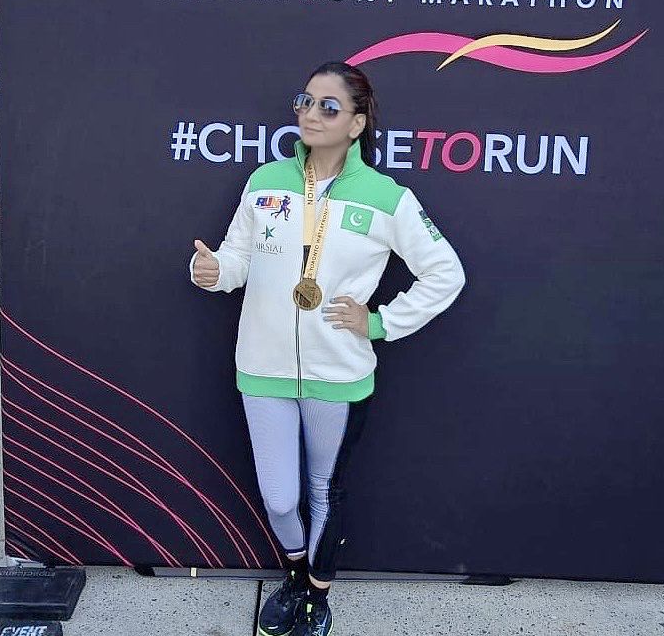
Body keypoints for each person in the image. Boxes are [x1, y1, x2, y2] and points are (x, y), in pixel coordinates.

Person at [189, 61, 465, 636]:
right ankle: (295, 574)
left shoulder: (386, 197)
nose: (310, 114)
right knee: (280, 498)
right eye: (305, 101)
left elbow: (446, 272)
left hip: (339, 374)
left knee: (323, 491)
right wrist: (214, 271)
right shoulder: (265, 181)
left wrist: (382, 322)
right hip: (261, 367)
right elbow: (237, 258)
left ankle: (316, 595)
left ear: (357, 124)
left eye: (328, 106)